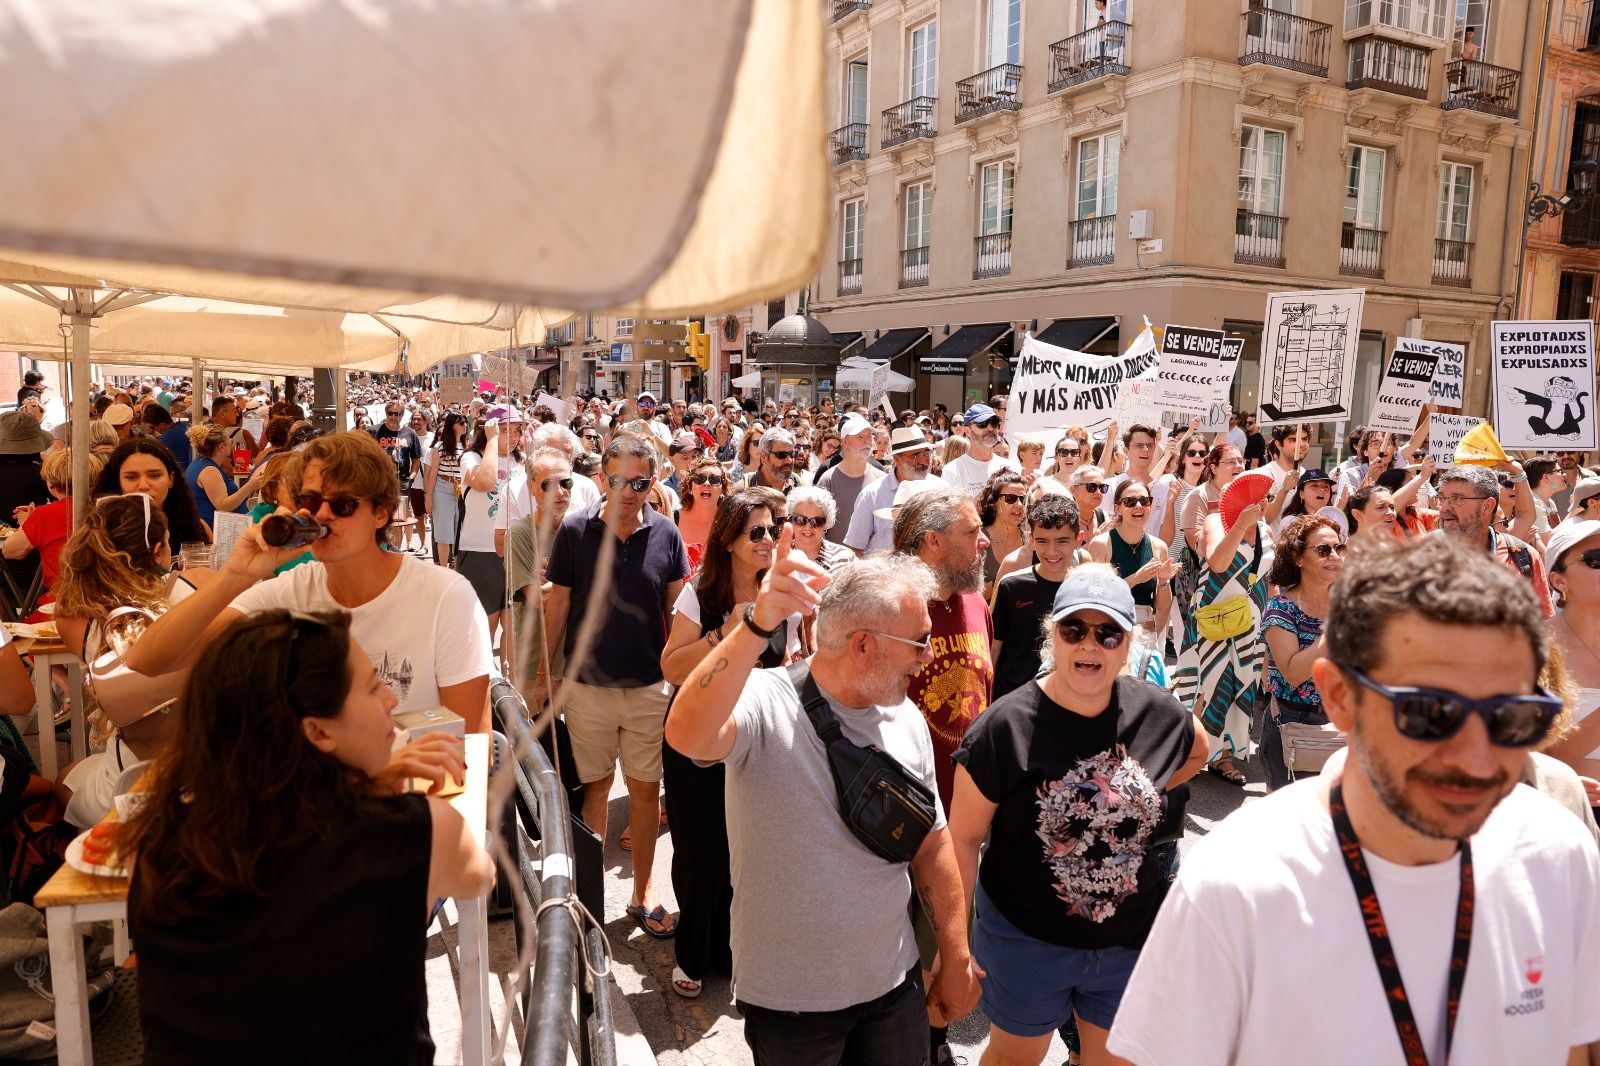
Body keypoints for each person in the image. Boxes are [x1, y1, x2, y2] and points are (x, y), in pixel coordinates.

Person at [1107, 538, 1600, 1066]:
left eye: (1512, 717)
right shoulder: (1237, 889)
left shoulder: (1559, 852)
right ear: (1340, 697)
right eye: (1432, 713)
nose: (1477, 758)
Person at [124, 610, 494, 1065]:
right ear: (317, 731)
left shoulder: (163, 843)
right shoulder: (413, 832)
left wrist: (368, 785)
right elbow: (479, 876)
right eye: (372, 686)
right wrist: (379, 788)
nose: (391, 702)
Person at [665, 546, 982, 1065]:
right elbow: (685, 733)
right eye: (919, 643)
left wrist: (955, 955)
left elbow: (931, 843)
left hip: (894, 988)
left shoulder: (904, 717)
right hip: (792, 1006)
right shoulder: (765, 699)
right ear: (863, 645)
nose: (928, 658)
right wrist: (755, 624)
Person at [949, 567, 1207, 1066]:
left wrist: (1145, 793)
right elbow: (962, 839)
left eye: (1107, 633)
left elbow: (1197, 749)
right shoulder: (1003, 729)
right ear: (1053, 634)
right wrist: (955, 944)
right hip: (1026, 939)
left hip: (1127, 940)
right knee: (1013, 1059)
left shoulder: (1159, 714)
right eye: (1074, 630)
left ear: (1127, 643)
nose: (1090, 645)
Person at [126, 431, 494, 730]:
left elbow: (471, 742)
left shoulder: (444, 595)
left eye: (343, 504)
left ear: (381, 514)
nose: (323, 514)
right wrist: (236, 577)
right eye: (311, 499)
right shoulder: (289, 591)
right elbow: (147, 660)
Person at [539, 434, 690, 939]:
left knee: (646, 792)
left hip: (650, 687)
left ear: (653, 482)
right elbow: (558, 607)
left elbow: (675, 612)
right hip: (587, 689)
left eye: (641, 482)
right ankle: (589, 898)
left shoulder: (667, 535)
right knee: (597, 788)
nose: (629, 491)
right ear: (602, 477)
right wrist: (542, 677)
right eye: (619, 479)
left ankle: (643, 893)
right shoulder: (575, 531)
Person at [659, 492, 801, 1000]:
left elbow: (791, 666)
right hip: (697, 738)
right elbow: (672, 666)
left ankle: (734, 952)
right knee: (701, 852)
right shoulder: (701, 593)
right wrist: (728, 631)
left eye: (774, 528)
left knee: (750, 854)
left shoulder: (783, 592)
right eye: (756, 532)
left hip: (757, 741)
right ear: (729, 540)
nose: (768, 540)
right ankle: (692, 955)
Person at [51, 494, 187, 828]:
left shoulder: (71, 613)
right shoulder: (194, 587)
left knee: (63, 780)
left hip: (132, 771)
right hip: (204, 758)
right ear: (158, 552)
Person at [1173, 488, 1273, 786]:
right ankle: (1189, 749)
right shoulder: (1217, 520)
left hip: (1250, 620)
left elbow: (1270, 576)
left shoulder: (1266, 529)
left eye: (1266, 495)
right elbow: (1217, 563)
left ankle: (1222, 754)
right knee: (1210, 683)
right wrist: (1241, 524)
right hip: (1214, 615)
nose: (1262, 500)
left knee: (1240, 685)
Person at [1259, 515, 1345, 792]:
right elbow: (1294, 673)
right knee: (1287, 824)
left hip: (1342, 723)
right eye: (1323, 549)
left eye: (1338, 548)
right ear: (1297, 557)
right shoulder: (1281, 608)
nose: (1334, 555)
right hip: (1293, 726)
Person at [991, 495, 1081, 700]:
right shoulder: (1011, 585)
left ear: (1078, 539)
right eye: (1042, 541)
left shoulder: (1086, 585)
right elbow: (993, 650)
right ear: (1031, 540)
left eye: (1062, 541)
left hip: (1066, 701)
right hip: (1013, 699)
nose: (1051, 551)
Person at [455, 409, 531, 647]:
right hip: (480, 552)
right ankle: (485, 683)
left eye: (517, 430)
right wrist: (492, 440)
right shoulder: (472, 458)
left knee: (513, 626)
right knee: (483, 627)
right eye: (505, 430)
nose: (512, 436)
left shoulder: (521, 462)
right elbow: (485, 482)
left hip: (514, 551)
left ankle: (510, 683)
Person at [1436, 466, 1554, 617]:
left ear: (1487, 506)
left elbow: (1544, 625)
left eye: (1457, 499)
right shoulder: (1421, 556)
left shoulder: (1523, 556)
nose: (1444, 507)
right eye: (1441, 498)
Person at [3, 449, 104, 610]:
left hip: (62, 604)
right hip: (105, 602)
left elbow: (10, 551)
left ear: (50, 484)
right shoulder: (108, 509)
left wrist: (26, 524)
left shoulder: (43, 515)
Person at [1543, 519, 1600, 793]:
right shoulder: (1535, 646)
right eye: (1596, 560)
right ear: (1559, 580)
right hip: (1571, 814)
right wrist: (1558, 782)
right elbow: (1526, 752)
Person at [1089, 479, 1177, 635]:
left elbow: (1162, 606)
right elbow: (1096, 595)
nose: (1138, 506)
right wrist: (1135, 578)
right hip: (1109, 627)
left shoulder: (1159, 547)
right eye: (1129, 501)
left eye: (1144, 501)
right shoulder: (1101, 544)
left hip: (1145, 630)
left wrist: (1163, 581)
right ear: (1118, 508)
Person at [845, 426, 948, 555]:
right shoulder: (872, 494)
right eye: (915, 455)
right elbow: (855, 548)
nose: (923, 460)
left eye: (926, 453)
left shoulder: (941, 489)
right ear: (897, 460)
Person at [95, 437, 211, 547]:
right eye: (131, 477)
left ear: (170, 479)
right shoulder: (101, 532)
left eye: (154, 475)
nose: (143, 486)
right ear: (118, 481)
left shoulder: (198, 528)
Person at [816, 413, 884, 544]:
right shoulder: (828, 480)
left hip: (871, 561)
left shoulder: (882, 478)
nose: (866, 441)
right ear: (844, 442)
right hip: (837, 561)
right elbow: (818, 525)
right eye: (860, 437)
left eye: (869, 436)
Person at [186, 423, 265, 531]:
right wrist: (251, 485)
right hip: (216, 530)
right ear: (222, 447)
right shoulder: (209, 470)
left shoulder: (201, 464)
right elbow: (223, 506)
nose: (231, 444)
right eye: (230, 441)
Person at [422, 411, 468, 567]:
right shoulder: (439, 446)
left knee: (458, 532)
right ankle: (443, 569)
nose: (465, 425)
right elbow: (432, 474)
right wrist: (427, 497)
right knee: (444, 533)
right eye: (461, 422)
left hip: (462, 491)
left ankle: (455, 568)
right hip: (442, 489)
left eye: (465, 421)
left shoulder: (468, 445)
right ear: (452, 425)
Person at [943, 404, 1016, 497]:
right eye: (982, 424)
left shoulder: (1011, 467)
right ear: (967, 431)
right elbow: (951, 510)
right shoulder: (952, 471)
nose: (990, 428)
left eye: (994, 423)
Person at [978, 470, 1030, 598]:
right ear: (994, 502)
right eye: (1010, 499)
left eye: (1023, 500)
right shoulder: (978, 539)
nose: (1018, 505)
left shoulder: (1031, 541)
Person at [676, 457, 730, 575]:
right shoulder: (673, 520)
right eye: (699, 479)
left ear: (723, 489)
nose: (706, 483)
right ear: (690, 487)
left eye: (714, 479)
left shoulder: (730, 523)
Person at [788, 484, 854, 571]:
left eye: (816, 521)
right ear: (791, 520)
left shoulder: (845, 559)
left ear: (826, 524)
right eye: (800, 520)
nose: (808, 527)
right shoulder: (777, 556)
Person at [739, 427, 801, 494]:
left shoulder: (799, 486)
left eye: (792, 454)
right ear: (764, 458)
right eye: (781, 455)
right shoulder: (742, 491)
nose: (789, 461)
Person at [1275, 466, 1334, 534]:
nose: (1322, 490)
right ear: (1301, 493)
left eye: (1325, 487)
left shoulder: (1333, 521)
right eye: (1314, 486)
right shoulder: (1290, 522)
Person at [158, 398, 193, 467]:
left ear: (182, 413)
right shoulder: (183, 425)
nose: (170, 417)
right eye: (170, 414)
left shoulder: (183, 426)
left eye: (172, 414)